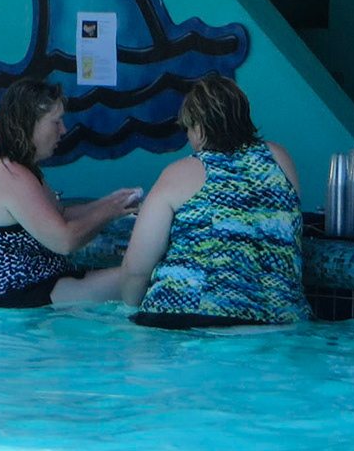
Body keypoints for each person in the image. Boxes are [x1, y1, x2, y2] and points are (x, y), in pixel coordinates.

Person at [116, 75, 309, 327]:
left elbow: (136, 270)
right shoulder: (280, 159)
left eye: (188, 128)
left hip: (183, 315)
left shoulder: (178, 174)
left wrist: (128, 312)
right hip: (278, 319)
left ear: (198, 126)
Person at [0, 78, 141, 307]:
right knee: (137, 279)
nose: (63, 130)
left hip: (37, 284)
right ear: (28, 123)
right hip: (12, 299)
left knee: (136, 278)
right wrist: (109, 213)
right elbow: (65, 240)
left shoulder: (11, 164)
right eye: (56, 122)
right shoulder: (11, 175)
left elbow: (60, 215)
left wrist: (111, 203)